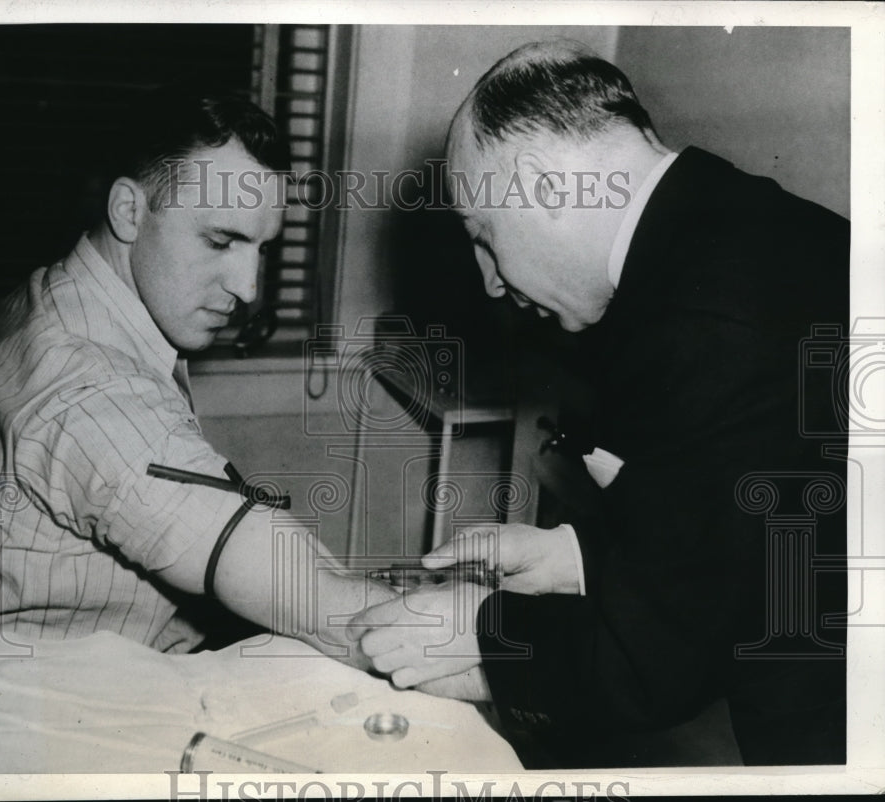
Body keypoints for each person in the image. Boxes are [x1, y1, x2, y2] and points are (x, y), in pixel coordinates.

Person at [348, 39, 848, 766]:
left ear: (541, 186)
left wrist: (480, 628)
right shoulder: (735, 229)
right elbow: (751, 531)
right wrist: (570, 558)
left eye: (483, 238)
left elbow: (656, 663)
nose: (489, 282)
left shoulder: (705, 322)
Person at [0, 88, 394, 660]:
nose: (248, 288)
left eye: (262, 250)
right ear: (128, 211)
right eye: (220, 240)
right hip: (47, 703)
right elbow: (235, 543)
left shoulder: (56, 295)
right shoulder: (84, 384)